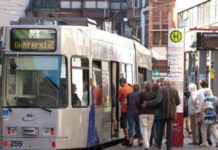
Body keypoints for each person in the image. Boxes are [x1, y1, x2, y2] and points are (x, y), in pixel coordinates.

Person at [144, 79, 180, 150]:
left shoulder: (161, 90)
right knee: (169, 130)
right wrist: (173, 104)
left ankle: (159, 145)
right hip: (171, 113)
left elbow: (158, 100)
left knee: (161, 129)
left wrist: (148, 103)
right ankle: (169, 147)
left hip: (162, 112)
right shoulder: (175, 90)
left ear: (164, 83)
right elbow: (178, 102)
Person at [136, 81, 157, 150]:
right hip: (151, 114)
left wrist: (139, 108)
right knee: (149, 129)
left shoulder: (141, 93)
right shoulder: (154, 94)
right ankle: (147, 144)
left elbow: (137, 102)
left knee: (144, 129)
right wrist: (153, 109)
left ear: (144, 86)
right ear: (151, 87)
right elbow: (156, 103)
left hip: (142, 113)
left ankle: (146, 145)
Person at [195, 80, 212, 145]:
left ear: (200, 85)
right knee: (209, 125)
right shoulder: (209, 90)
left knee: (200, 126)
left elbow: (195, 101)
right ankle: (208, 138)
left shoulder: (198, 91)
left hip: (201, 110)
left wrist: (198, 105)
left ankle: (201, 140)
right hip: (209, 109)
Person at [118, 78, 133, 145]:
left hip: (124, 109)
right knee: (130, 124)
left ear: (122, 82)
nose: (120, 85)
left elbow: (119, 99)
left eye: (120, 83)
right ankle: (131, 139)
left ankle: (127, 139)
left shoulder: (122, 89)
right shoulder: (131, 88)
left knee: (124, 124)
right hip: (131, 109)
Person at [150, 83, 160, 147]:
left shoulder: (151, 94)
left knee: (152, 128)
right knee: (158, 128)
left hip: (152, 113)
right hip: (159, 113)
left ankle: (151, 141)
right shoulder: (160, 94)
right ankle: (157, 141)